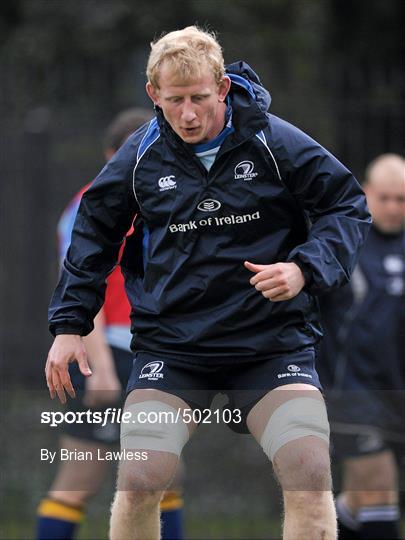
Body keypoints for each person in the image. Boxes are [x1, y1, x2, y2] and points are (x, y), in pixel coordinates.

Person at [45, 26, 371, 540]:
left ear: (221, 87)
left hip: (270, 344)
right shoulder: (139, 157)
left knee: (310, 473)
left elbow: (346, 204)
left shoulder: (274, 141)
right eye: (175, 101)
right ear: (154, 95)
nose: (189, 114)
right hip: (174, 349)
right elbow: (90, 237)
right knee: (138, 478)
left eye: (199, 97)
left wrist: (305, 267)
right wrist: (68, 326)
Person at [37, 109, 185, 540]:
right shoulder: (90, 204)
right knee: (78, 480)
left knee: (167, 478)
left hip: (155, 356)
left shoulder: (169, 200)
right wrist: (98, 363)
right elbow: (81, 283)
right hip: (104, 355)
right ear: (110, 158)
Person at [318, 153, 405, 540]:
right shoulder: (345, 240)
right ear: (367, 193)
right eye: (384, 197)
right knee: (380, 485)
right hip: (351, 390)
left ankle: (320, 531)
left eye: (401, 199)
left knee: (358, 501)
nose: (392, 207)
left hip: (396, 388)